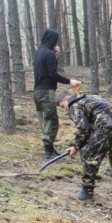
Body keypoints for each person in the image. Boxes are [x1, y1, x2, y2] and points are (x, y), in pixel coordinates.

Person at [56, 90, 112, 204]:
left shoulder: (74, 105)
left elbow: (84, 129)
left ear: (67, 98)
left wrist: (76, 147)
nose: (65, 109)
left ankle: (87, 191)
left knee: (89, 156)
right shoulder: (90, 98)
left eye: (63, 106)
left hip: (104, 125)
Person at [34, 29, 81, 160]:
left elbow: (47, 69)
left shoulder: (39, 52)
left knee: (44, 120)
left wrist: (55, 56)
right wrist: (70, 81)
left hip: (37, 92)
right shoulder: (47, 53)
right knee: (51, 120)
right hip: (46, 91)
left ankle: (49, 149)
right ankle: (48, 151)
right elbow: (52, 74)